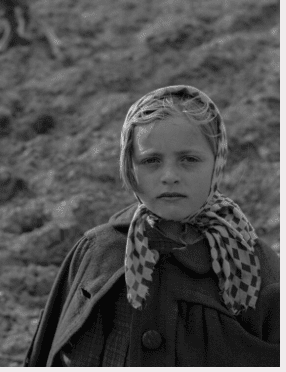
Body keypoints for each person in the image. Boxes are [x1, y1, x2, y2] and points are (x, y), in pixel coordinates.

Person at [24, 85, 279, 367]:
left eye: (189, 160)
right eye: (151, 161)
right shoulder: (98, 253)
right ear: (129, 168)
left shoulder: (253, 266)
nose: (169, 176)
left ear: (217, 162)